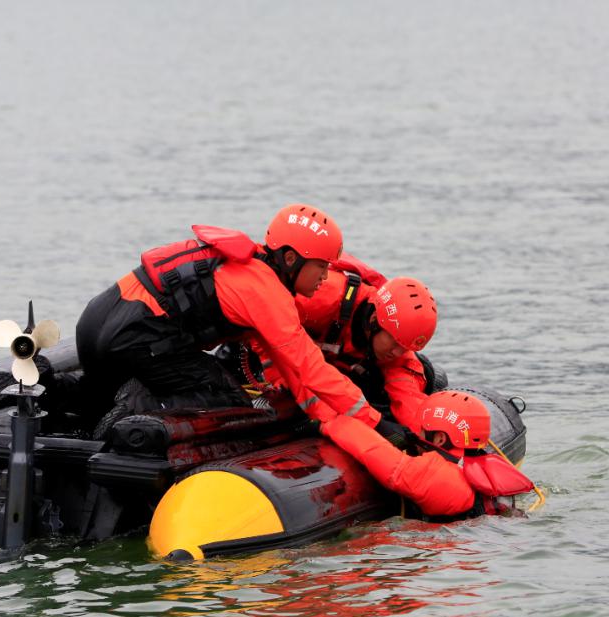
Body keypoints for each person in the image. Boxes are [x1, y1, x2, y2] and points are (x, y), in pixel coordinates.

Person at [75, 204, 397, 438]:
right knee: (229, 401)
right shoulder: (266, 290)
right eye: (321, 267)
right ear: (290, 258)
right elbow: (310, 367)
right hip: (135, 338)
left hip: (95, 322)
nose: (326, 276)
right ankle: (137, 404)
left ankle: (69, 391)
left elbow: (270, 346)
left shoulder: (251, 264)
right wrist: (377, 423)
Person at [247, 262, 440, 440]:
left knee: (433, 377)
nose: (398, 353)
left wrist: (426, 439)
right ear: (374, 321)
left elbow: (408, 399)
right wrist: (281, 382)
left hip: (324, 367)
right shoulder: (320, 295)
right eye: (396, 343)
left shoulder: (397, 349)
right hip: (261, 351)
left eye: (406, 347)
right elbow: (263, 320)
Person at [321, 390, 535, 518]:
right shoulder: (487, 462)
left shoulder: (433, 474)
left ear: (440, 439)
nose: (417, 433)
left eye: (422, 430)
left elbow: (372, 450)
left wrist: (326, 422)